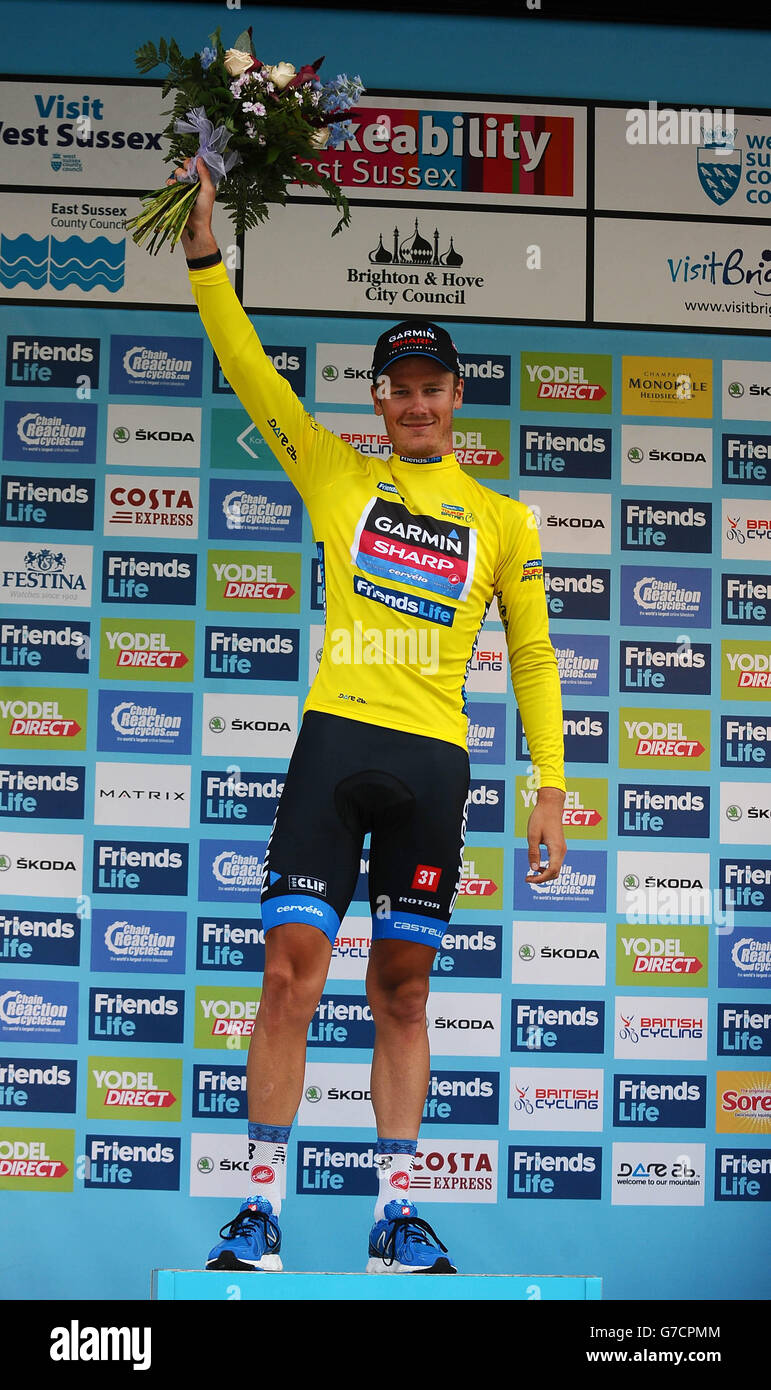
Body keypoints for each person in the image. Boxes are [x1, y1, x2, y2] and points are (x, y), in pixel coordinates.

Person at [177, 159, 567, 1274]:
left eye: (432, 384)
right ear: (377, 400)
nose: (415, 401)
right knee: (290, 970)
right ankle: (258, 1212)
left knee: (404, 989)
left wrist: (551, 787)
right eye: (398, 385)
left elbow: (533, 655)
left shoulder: (503, 518)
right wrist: (208, 256)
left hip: (435, 763)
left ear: (457, 400)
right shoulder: (337, 475)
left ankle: (396, 1214)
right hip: (337, 740)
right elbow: (250, 373)